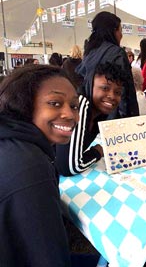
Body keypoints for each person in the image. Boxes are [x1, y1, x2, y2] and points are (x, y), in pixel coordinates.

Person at [0, 65, 79, 266]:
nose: (70, 115)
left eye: (74, 106)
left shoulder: (13, 143)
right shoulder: (31, 167)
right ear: (24, 105)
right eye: (55, 103)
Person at [56, 62, 125, 176]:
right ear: (90, 84)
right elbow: (69, 167)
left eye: (117, 92)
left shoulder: (100, 113)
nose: (112, 96)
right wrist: (97, 151)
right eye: (105, 88)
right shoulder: (80, 105)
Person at [76, 11, 139, 118]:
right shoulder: (117, 53)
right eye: (120, 30)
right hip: (112, 115)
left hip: (92, 113)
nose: (121, 35)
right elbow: (124, 90)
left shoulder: (89, 52)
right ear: (113, 31)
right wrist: (129, 118)